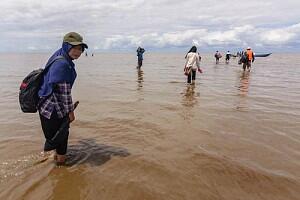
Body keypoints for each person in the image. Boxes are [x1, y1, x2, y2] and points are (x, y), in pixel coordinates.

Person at [38, 32, 88, 165]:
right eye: (75, 48)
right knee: (62, 138)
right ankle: (60, 167)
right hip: (53, 109)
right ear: (66, 46)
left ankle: (51, 160)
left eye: (80, 49)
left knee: (55, 137)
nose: (78, 52)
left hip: (44, 106)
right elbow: (64, 93)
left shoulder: (58, 55)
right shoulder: (63, 65)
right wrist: (70, 112)